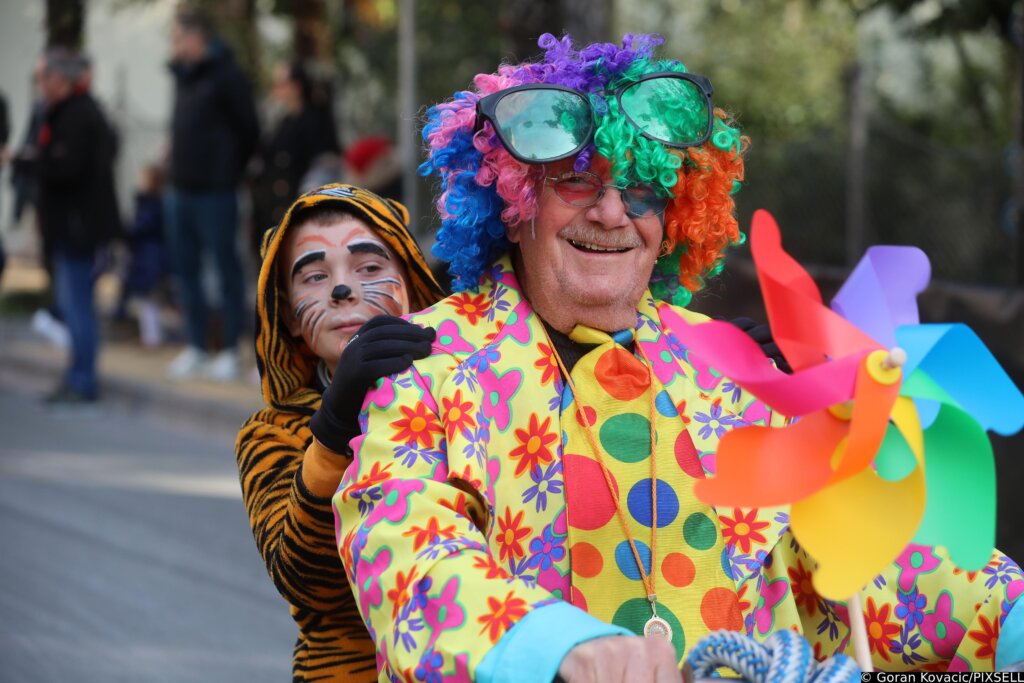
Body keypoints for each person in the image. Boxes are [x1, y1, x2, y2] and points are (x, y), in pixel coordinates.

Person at [333, 34, 1024, 681]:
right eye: (578, 181)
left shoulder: (728, 365)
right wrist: (555, 643)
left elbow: (860, 542)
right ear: (516, 204)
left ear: (674, 220)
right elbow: (403, 540)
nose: (611, 213)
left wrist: (1009, 615)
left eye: (641, 189)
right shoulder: (429, 361)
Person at [235, 183, 446, 681]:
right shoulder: (270, 435)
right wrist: (333, 427)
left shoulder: (469, 392)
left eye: (369, 268)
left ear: (412, 283)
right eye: (314, 275)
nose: (342, 290)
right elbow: (307, 584)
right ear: (287, 314)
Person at [165, 9, 259, 381]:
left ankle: (231, 350)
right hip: (180, 188)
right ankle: (197, 346)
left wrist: (227, 169)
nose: (174, 46)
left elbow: (249, 129)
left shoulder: (227, 75)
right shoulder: (182, 77)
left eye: (178, 39)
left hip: (217, 190)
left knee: (225, 267)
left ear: (197, 38)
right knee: (185, 269)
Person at [36, 48, 121, 404]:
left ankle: (83, 381)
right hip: (74, 225)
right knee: (73, 305)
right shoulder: (71, 111)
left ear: (63, 79)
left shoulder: (77, 114)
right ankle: (76, 376)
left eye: (45, 77)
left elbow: (68, 168)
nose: (40, 85)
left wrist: (32, 163)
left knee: (78, 306)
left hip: (78, 226)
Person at [249, 60, 340, 260]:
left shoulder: (316, 122)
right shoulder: (281, 121)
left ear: (296, 86)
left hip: (298, 214)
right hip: (273, 213)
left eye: (281, 83)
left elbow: (323, 168)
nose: (276, 90)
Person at [115, 163, 168, 347]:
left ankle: (151, 337)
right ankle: (148, 335)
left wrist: (124, 233)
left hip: (148, 259)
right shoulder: (148, 204)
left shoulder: (151, 206)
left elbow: (141, 229)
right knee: (145, 299)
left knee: (148, 299)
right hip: (145, 258)